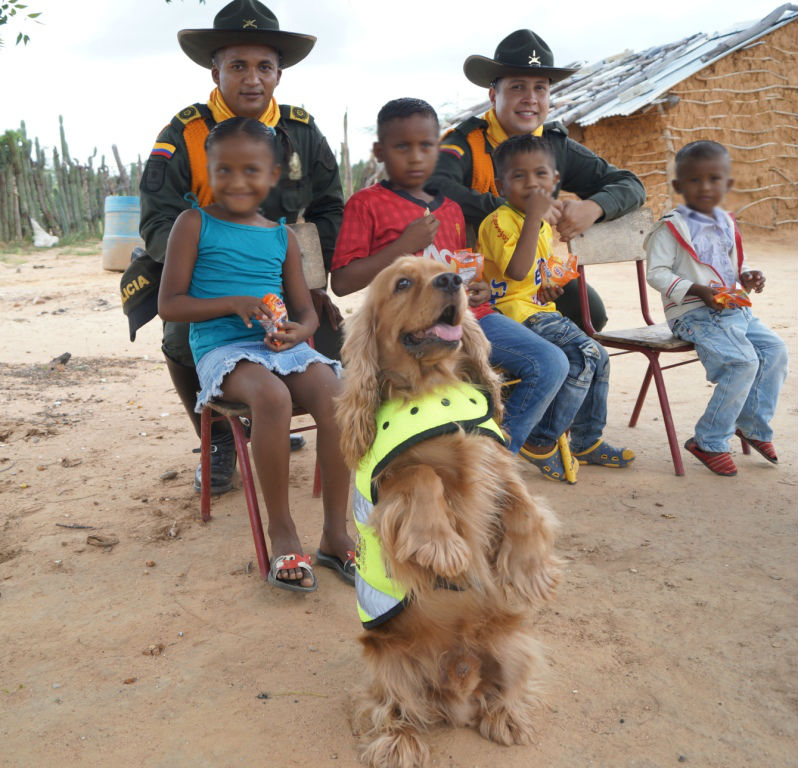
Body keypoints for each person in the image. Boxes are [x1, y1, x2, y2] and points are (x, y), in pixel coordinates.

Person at [138, 0, 344, 494]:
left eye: (264, 67)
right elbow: (158, 220)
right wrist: (207, 267)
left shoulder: (301, 131)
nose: (252, 79)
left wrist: (311, 283)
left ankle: (268, 419)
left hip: (283, 267)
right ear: (215, 70)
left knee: (331, 339)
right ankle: (216, 439)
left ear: (280, 73)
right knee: (176, 336)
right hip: (200, 270)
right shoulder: (184, 133)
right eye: (238, 66)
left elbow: (329, 208)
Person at [158, 118, 355, 591]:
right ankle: (282, 528)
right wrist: (232, 304)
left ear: (272, 176)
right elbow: (170, 305)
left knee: (335, 393)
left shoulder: (281, 237)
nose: (237, 181)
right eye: (223, 170)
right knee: (271, 398)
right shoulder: (193, 224)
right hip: (221, 348)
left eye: (251, 170)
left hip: (276, 345)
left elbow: (306, 311)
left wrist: (296, 332)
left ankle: (334, 532)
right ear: (208, 171)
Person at [331, 98, 568, 454]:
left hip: (468, 320)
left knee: (550, 362)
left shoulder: (452, 209)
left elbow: (461, 272)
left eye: (425, 146)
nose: (415, 157)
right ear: (380, 151)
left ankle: (497, 452)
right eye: (401, 147)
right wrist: (403, 245)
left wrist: (476, 290)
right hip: (407, 330)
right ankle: (483, 455)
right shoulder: (366, 204)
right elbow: (342, 281)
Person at [428, 29, 646, 332]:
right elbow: (433, 187)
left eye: (540, 89)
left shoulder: (556, 146)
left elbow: (631, 185)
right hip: (471, 280)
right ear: (494, 95)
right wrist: (523, 209)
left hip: (533, 281)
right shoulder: (466, 142)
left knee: (589, 312)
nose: (530, 99)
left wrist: (595, 207)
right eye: (518, 87)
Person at [478, 134, 635, 481]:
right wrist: (535, 218)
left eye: (540, 175)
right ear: (502, 186)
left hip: (536, 310)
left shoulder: (542, 227)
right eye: (519, 177)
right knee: (584, 354)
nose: (531, 183)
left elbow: (535, 276)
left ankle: (587, 439)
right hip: (510, 313)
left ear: (554, 182)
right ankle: (540, 438)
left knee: (600, 356)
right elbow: (516, 272)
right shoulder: (499, 222)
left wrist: (548, 287)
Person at [645, 140, 788, 477]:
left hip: (730, 309)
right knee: (742, 362)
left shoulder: (726, 221)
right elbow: (657, 273)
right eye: (695, 180)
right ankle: (708, 440)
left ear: (728, 185)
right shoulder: (670, 227)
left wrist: (746, 275)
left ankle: (751, 424)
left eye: (714, 179)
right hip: (692, 314)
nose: (705, 187)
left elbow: (730, 262)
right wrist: (695, 290)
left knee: (774, 350)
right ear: (679, 186)